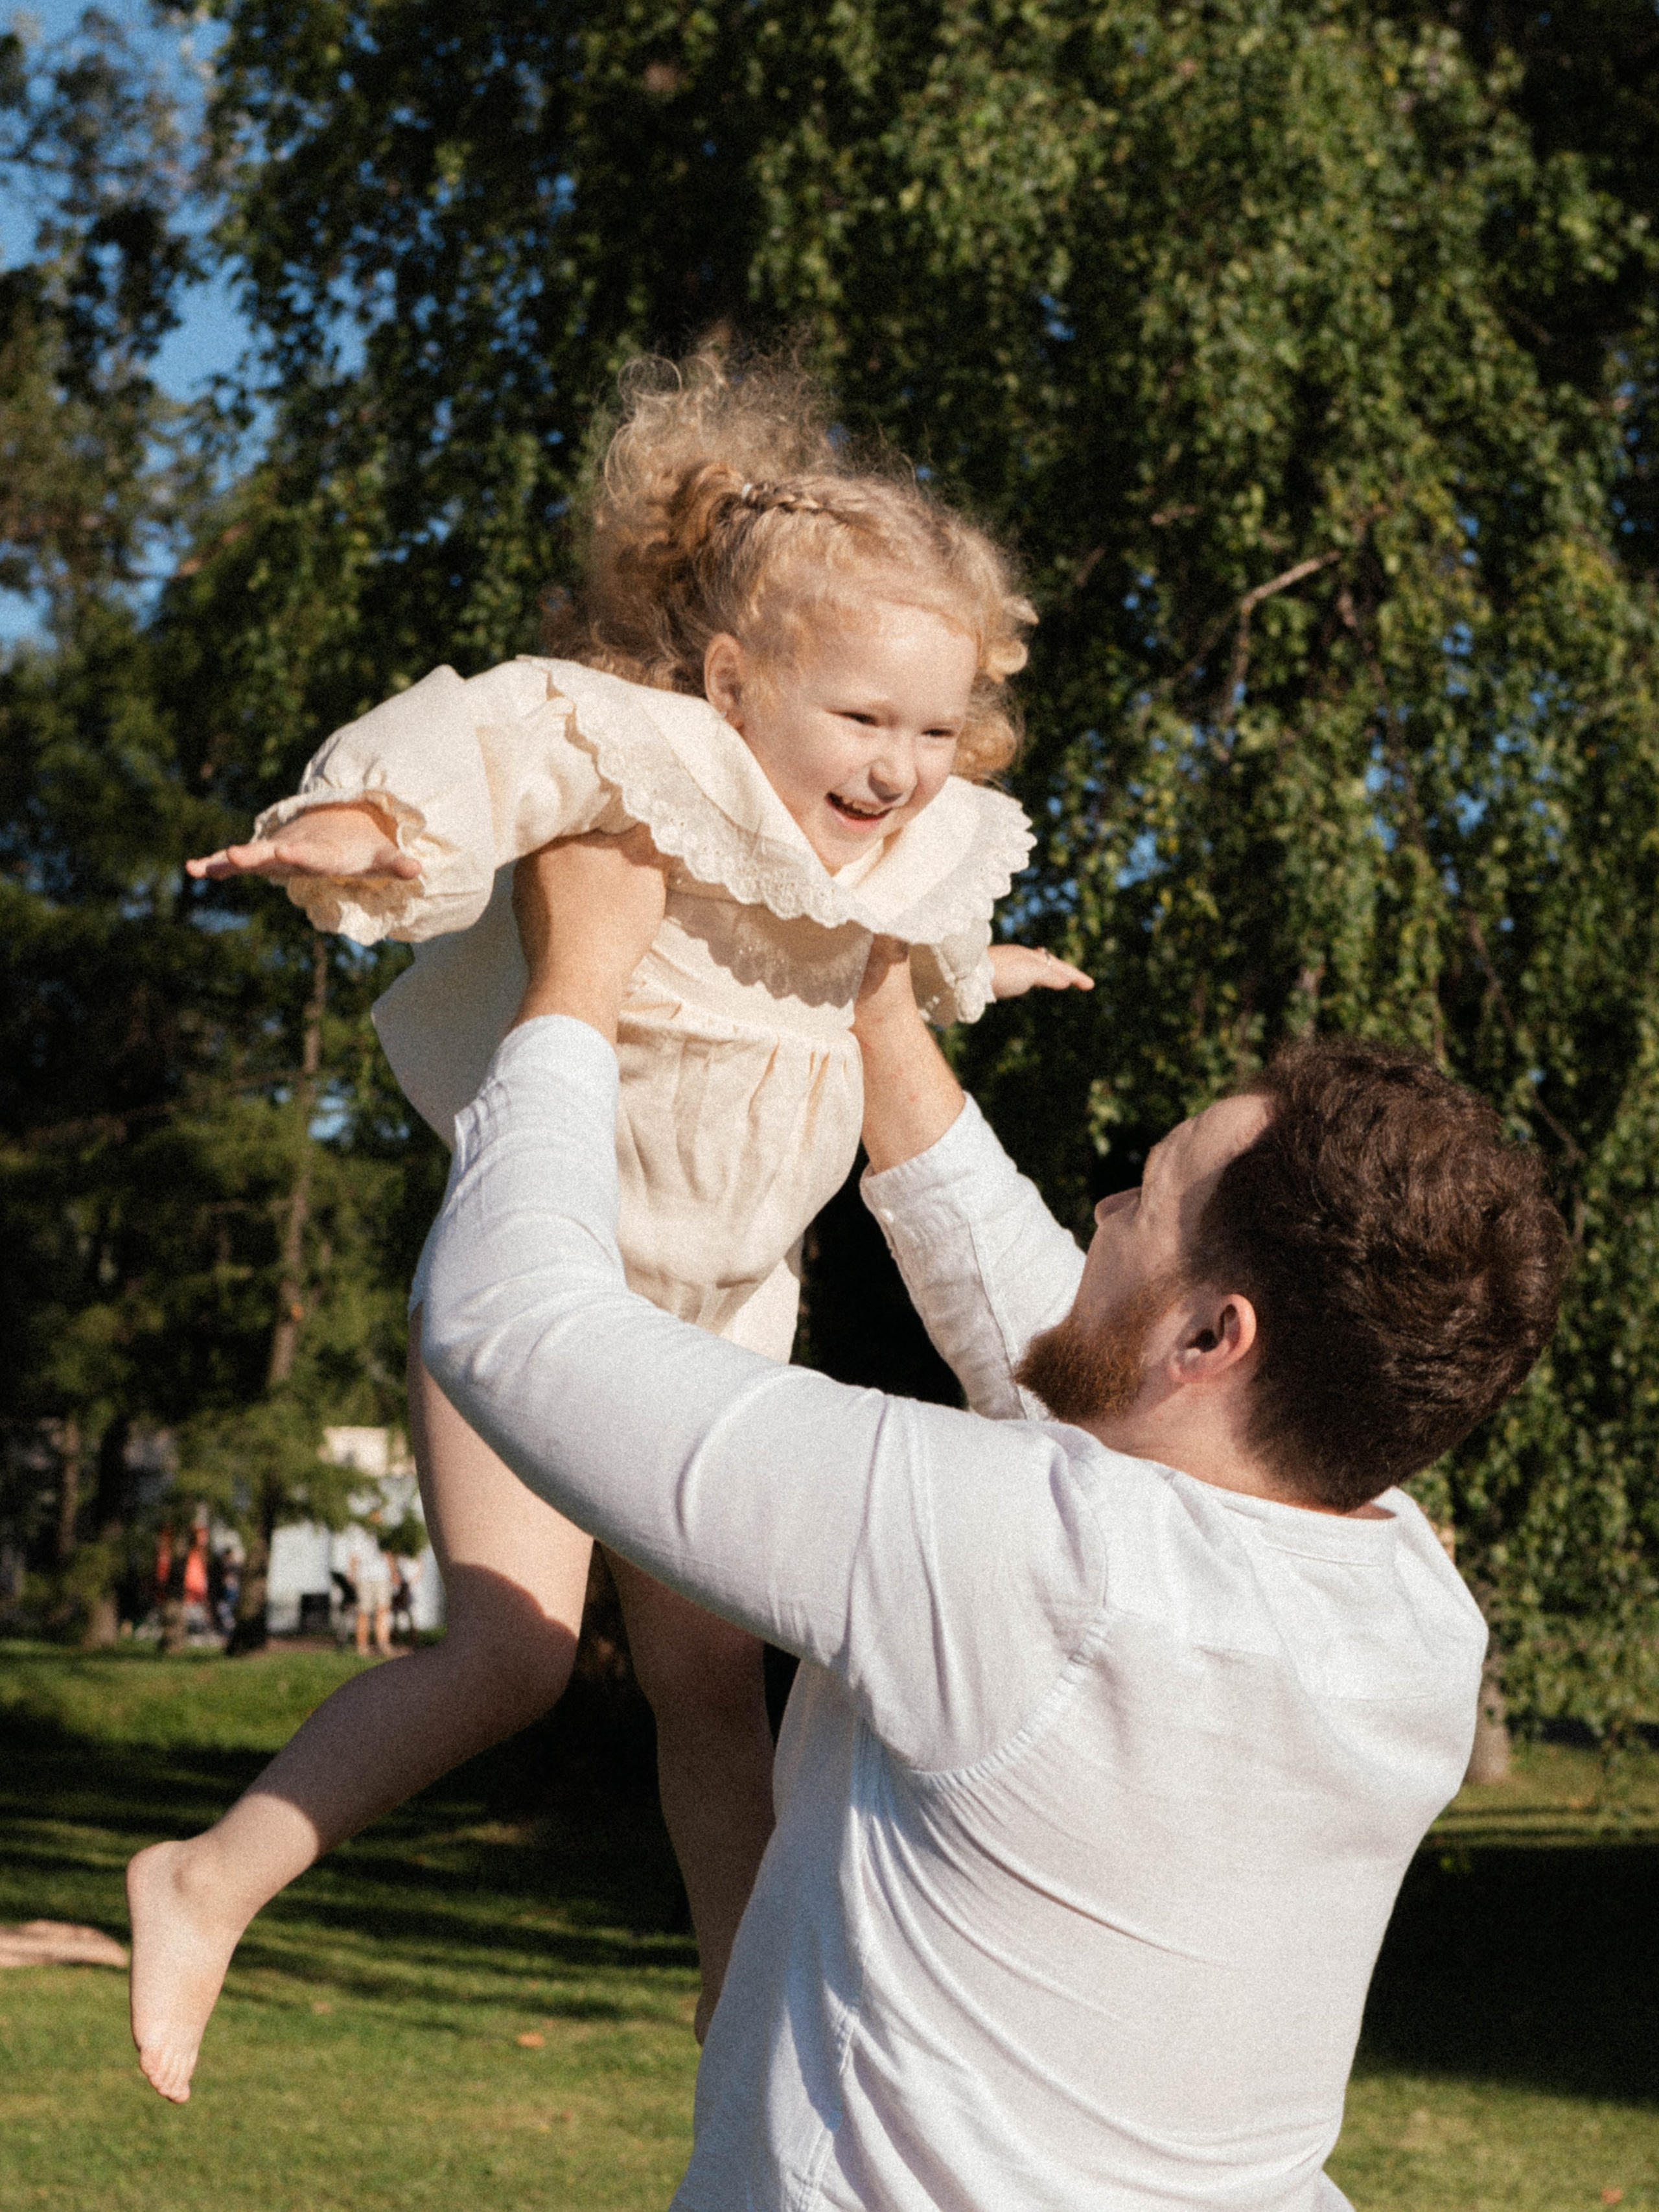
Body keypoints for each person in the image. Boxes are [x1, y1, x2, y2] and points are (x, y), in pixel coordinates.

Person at [125, 351, 1091, 2102]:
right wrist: (349, 826)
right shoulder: (631, 747)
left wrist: (980, 968)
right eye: (863, 720)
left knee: (715, 1682)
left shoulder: (915, 835)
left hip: (729, 1300)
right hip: (542, 1263)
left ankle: (743, 2012)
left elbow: (905, 950)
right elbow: (473, 755)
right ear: (733, 682)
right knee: (508, 1652)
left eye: (936, 730)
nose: (900, 767)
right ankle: (209, 1878)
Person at [415, 833, 1568, 2211]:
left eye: (1147, 1195)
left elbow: (512, 1325)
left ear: (1214, 1336)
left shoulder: (1030, 1558)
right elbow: (1075, 1359)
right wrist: (878, 1015)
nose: (1105, 1211)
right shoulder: (1410, 1606)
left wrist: (576, 982)